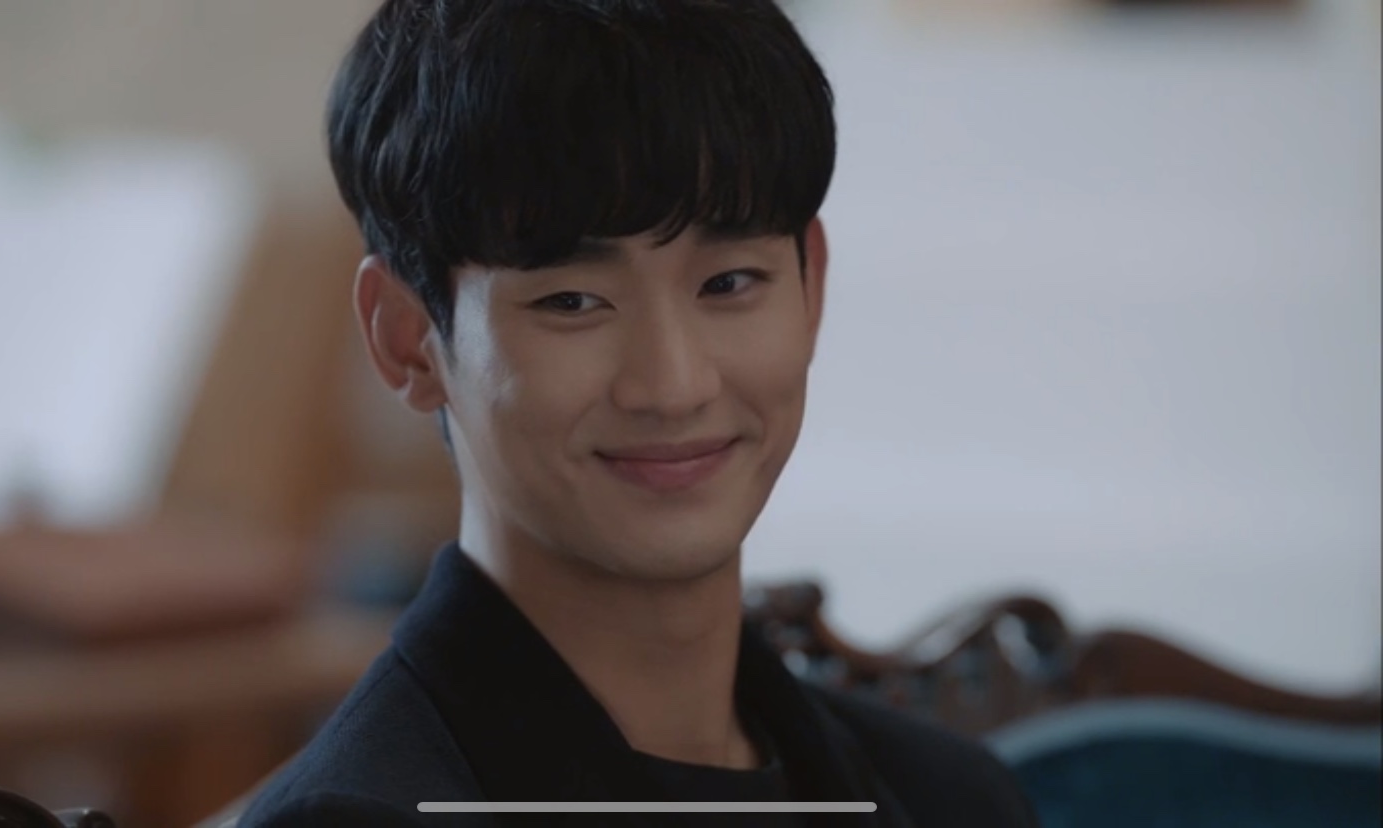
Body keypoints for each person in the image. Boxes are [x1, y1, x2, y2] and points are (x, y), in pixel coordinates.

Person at [240, 1, 1038, 825]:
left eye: (728, 283)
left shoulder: (952, 796)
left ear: (812, 284)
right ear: (409, 340)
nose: (673, 385)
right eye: (572, 301)